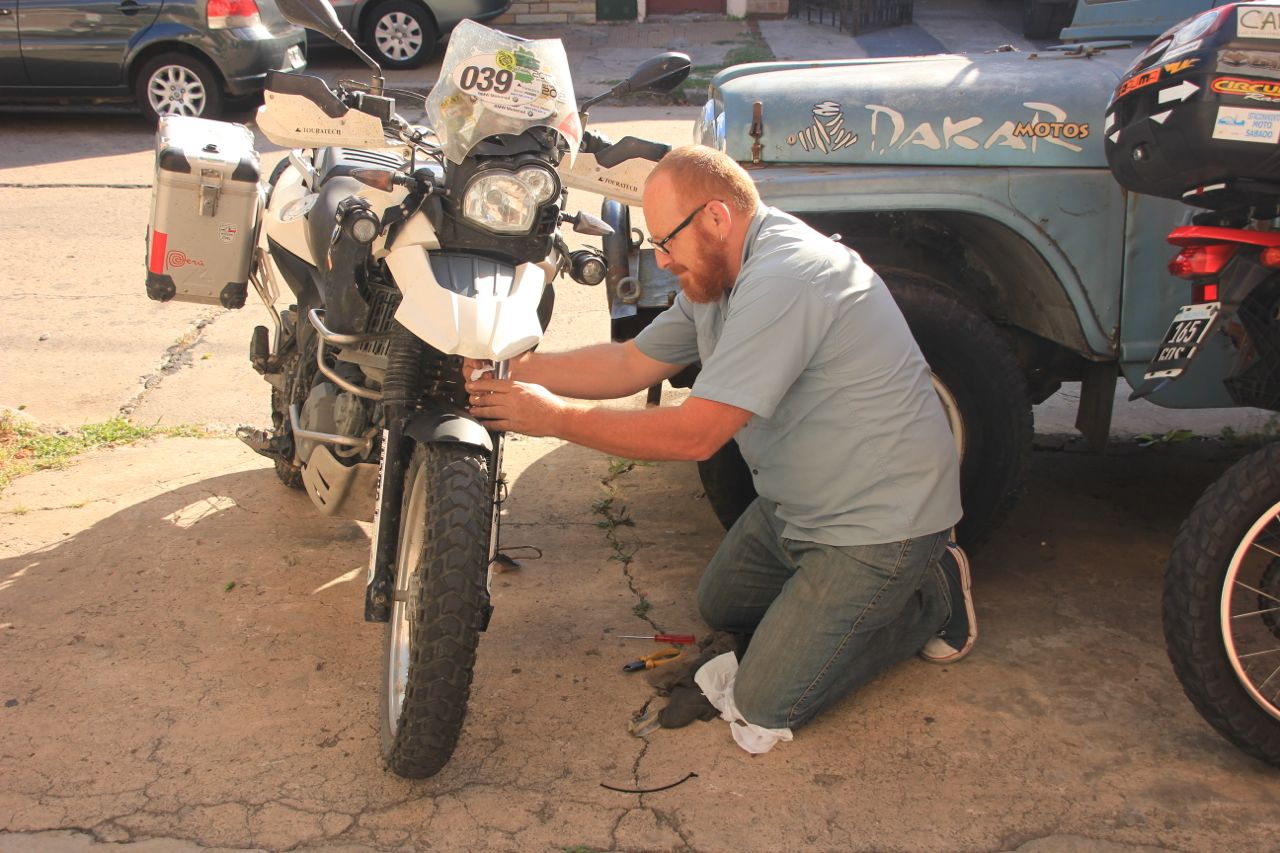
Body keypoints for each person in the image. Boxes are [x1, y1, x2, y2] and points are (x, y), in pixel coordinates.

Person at [464, 144, 976, 752]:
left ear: (715, 217)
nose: (661, 258)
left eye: (667, 241)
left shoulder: (787, 279)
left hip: (877, 523)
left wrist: (553, 418)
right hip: (799, 506)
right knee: (721, 607)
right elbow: (630, 363)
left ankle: (930, 595)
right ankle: (834, 603)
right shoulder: (718, 276)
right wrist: (517, 369)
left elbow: (695, 435)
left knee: (763, 704)